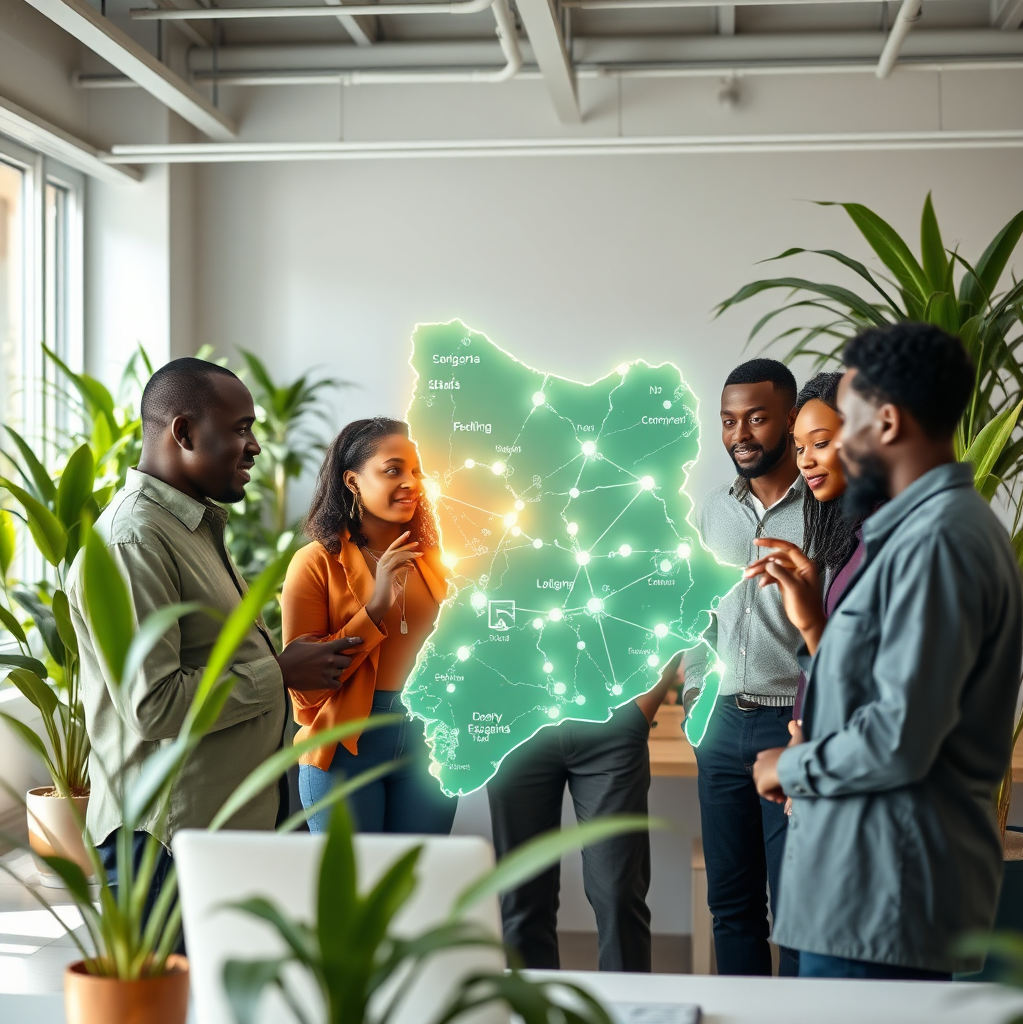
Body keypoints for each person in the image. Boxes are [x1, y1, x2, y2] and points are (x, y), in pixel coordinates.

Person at [753, 323, 1023, 980]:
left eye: (844, 422)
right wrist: (816, 628)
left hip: (878, 902)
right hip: (861, 892)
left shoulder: (938, 543)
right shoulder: (909, 536)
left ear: (889, 421)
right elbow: (879, 691)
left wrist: (790, 768)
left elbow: (901, 735)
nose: (832, 444)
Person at [68, 357, 359, 934]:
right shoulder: (136, 540)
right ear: (183, 432)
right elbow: (153, 706)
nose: (254, 447)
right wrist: (280, 673)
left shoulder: (191, 528)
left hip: (219, 837)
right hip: (165, 851)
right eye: (241, 428)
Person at [683, 357, 804, 977]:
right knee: (731, 908)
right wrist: (696, 689)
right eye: (728, 421)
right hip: (722, 723)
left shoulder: (825, 510)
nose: (740, 434)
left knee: (798, 909)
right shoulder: (713, 511)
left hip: (792, 727)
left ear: (789, 417)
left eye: (757, 418)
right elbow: (694, 612)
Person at [281, 417, 458, 834]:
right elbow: (303, 686)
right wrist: (376, 606)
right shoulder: (315, 562)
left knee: (417, 885)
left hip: (429, 742)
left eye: (417, 471)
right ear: (353, 481)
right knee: (353, 892)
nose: (411, 482)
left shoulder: (441, 562)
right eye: (393, 469)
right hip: (345, 746)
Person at [485, 652, 681, 973]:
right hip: (517, 727)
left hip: (610, 725)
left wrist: (640, 709)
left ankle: (628, 1013)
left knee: (618, 895)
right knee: (521, 900)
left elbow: (675, 615)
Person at [744, 371, 868, 726]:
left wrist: (811, 620)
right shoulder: (847, 541)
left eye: (821, 442)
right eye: (799, 447)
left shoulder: (888, 547)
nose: (804, 460)